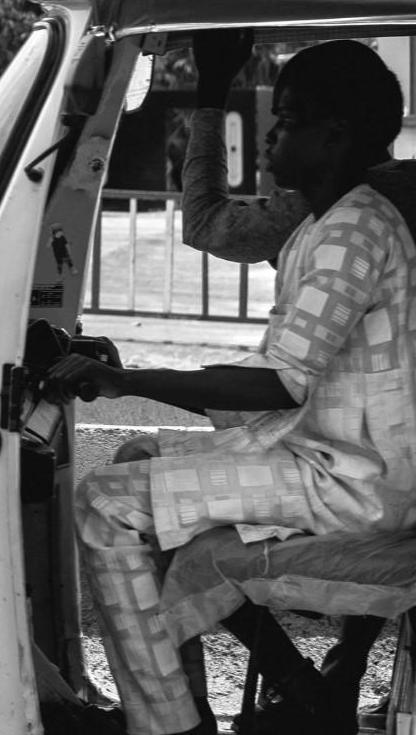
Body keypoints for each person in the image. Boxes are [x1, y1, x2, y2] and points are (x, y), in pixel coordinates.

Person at [47, 38, 416, 735]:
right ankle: (205, 697)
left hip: (352, 481)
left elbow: (278, 381)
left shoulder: (352, 231)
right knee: (133, 465)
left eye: (288, 117)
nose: (272, 131)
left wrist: (122, 378)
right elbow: (279, 377)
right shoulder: (325, 219)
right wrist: (125, 377)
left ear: (332, 138)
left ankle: (168, 724)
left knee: (103, 503)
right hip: (326, 452)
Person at [181, 30, 416, 733]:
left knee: (169, 515)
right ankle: (336, 674)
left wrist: (209, 91)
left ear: (331, 133)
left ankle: (295, 684)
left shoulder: (327, 204)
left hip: (355, 457)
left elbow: (204, 223)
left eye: (287, 119)